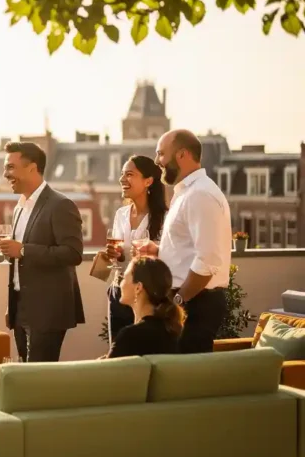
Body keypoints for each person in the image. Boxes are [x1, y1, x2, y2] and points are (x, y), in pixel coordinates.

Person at [138, 129, 232, 354]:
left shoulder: (200, 194)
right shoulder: (186, 193)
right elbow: (191, 248)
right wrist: (160, 251)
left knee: (187, 377)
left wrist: (177, 300)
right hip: (191, 300)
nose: (156, 161)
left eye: (161, 154)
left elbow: (208, 260)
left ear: (182, 155)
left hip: (196, 302)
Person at [0, 141, 85, 362]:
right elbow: (20, 261)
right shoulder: (19, 207)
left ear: (31, 167)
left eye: (10, 167)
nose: (5, 174)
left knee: (39, 379)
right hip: (21, 308)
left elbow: (73, 253)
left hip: (48, 310)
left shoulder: (60, 205)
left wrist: (24, 250)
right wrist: (13, 306)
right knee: (24, 374)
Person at [99, 155, 167, 343]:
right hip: (119, 291)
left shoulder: (165, 218)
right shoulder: (121, 214)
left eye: (129, 174)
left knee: (143, 350)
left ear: (148, 181)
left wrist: (155, 251)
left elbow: (170, 255)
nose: (122, 179)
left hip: (147, 296)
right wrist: (115, 255)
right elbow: (119, 257)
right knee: (117, 351)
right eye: (122, 174)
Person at [106, 258, 184, 358]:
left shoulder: (130, 337)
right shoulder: (175, 331)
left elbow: (105, 372)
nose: (120, 284)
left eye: (124, 278)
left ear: (138, 288)